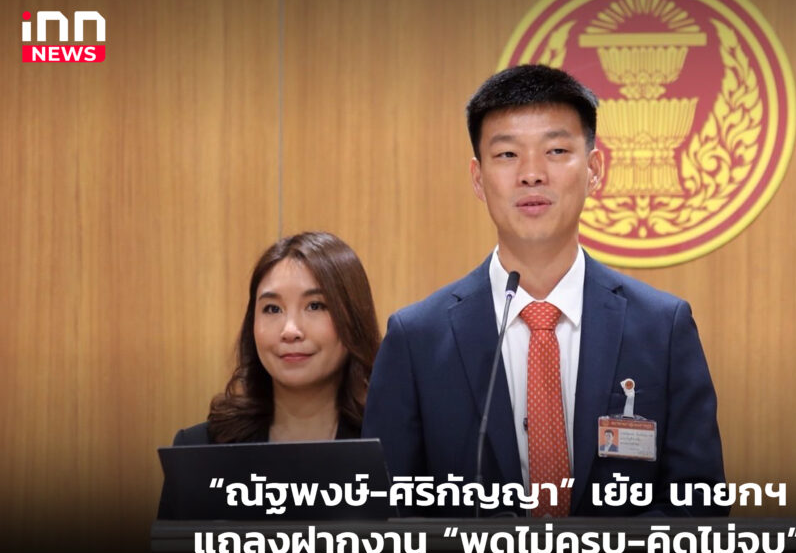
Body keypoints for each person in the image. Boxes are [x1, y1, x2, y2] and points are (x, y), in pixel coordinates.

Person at [362, 65, 726, 516]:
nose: (532, 174)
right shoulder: (417, 339)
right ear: (478, 178)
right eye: (507, 154)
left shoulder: (662, 329)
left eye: (556, 150)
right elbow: (388, 514)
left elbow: (699, 504)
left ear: (594, 170)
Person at [174, 232, 380, 445]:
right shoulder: (198, 446)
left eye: (315, 306)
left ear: (354, 320)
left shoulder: (392, 445)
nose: (290, 331)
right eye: (272, 309)